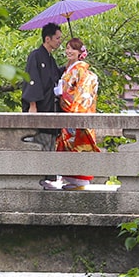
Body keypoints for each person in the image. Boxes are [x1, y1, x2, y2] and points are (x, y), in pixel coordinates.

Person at [49, 37, 99, 190]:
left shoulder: (80, 69)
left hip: (75, 111)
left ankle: (79, 181)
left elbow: (80, 93)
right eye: (67, 48)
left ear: (80, 53)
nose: (69, 51)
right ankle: (72, 180)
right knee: (67, 145)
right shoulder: (71, 69)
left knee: (74, 146)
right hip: (68, 112)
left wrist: (61, 94)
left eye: (73, 49)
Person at [23, 22, 63, 187]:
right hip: (40, 107)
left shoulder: (50, 58)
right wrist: (32, 105)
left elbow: (54, 77)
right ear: (48, 39)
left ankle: (47, 178)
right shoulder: (36, 56)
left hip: (50, 107)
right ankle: (39, 178)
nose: (60, 41)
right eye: (57, 38)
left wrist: (73, 63)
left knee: (49, 143)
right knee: (40, 142)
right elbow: (32, 80)